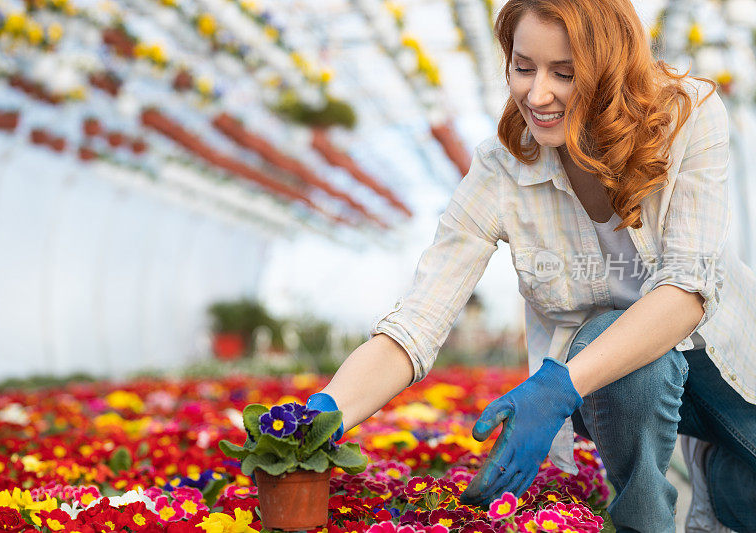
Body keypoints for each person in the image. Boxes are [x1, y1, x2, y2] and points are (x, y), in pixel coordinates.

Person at [309, 0, 756, 531]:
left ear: (608, 69)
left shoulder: (686, 115)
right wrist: (323, 412)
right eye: (523, 68)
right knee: (615, 344)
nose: (537, 95)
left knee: (744, 494)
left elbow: (685, 290)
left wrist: (557, 389)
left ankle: (718, 467)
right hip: (612, 384)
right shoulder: (501, 168)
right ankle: (645, 521)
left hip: (724, 361)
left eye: (564, 74)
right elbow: (418, 321)